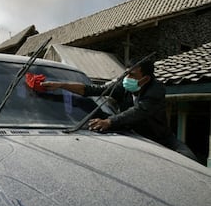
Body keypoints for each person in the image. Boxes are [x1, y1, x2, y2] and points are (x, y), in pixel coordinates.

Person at [41, 58, 197, 161]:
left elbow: (139, 111)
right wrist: (61, 85)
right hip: (132, 137)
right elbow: (93, 90)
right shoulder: (124, 86)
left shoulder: (156, 91)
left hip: (160, 139)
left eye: (132, 74)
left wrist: (109, 121)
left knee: (190, 160)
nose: (127, 78)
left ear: (146, 79)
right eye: (126, 73)